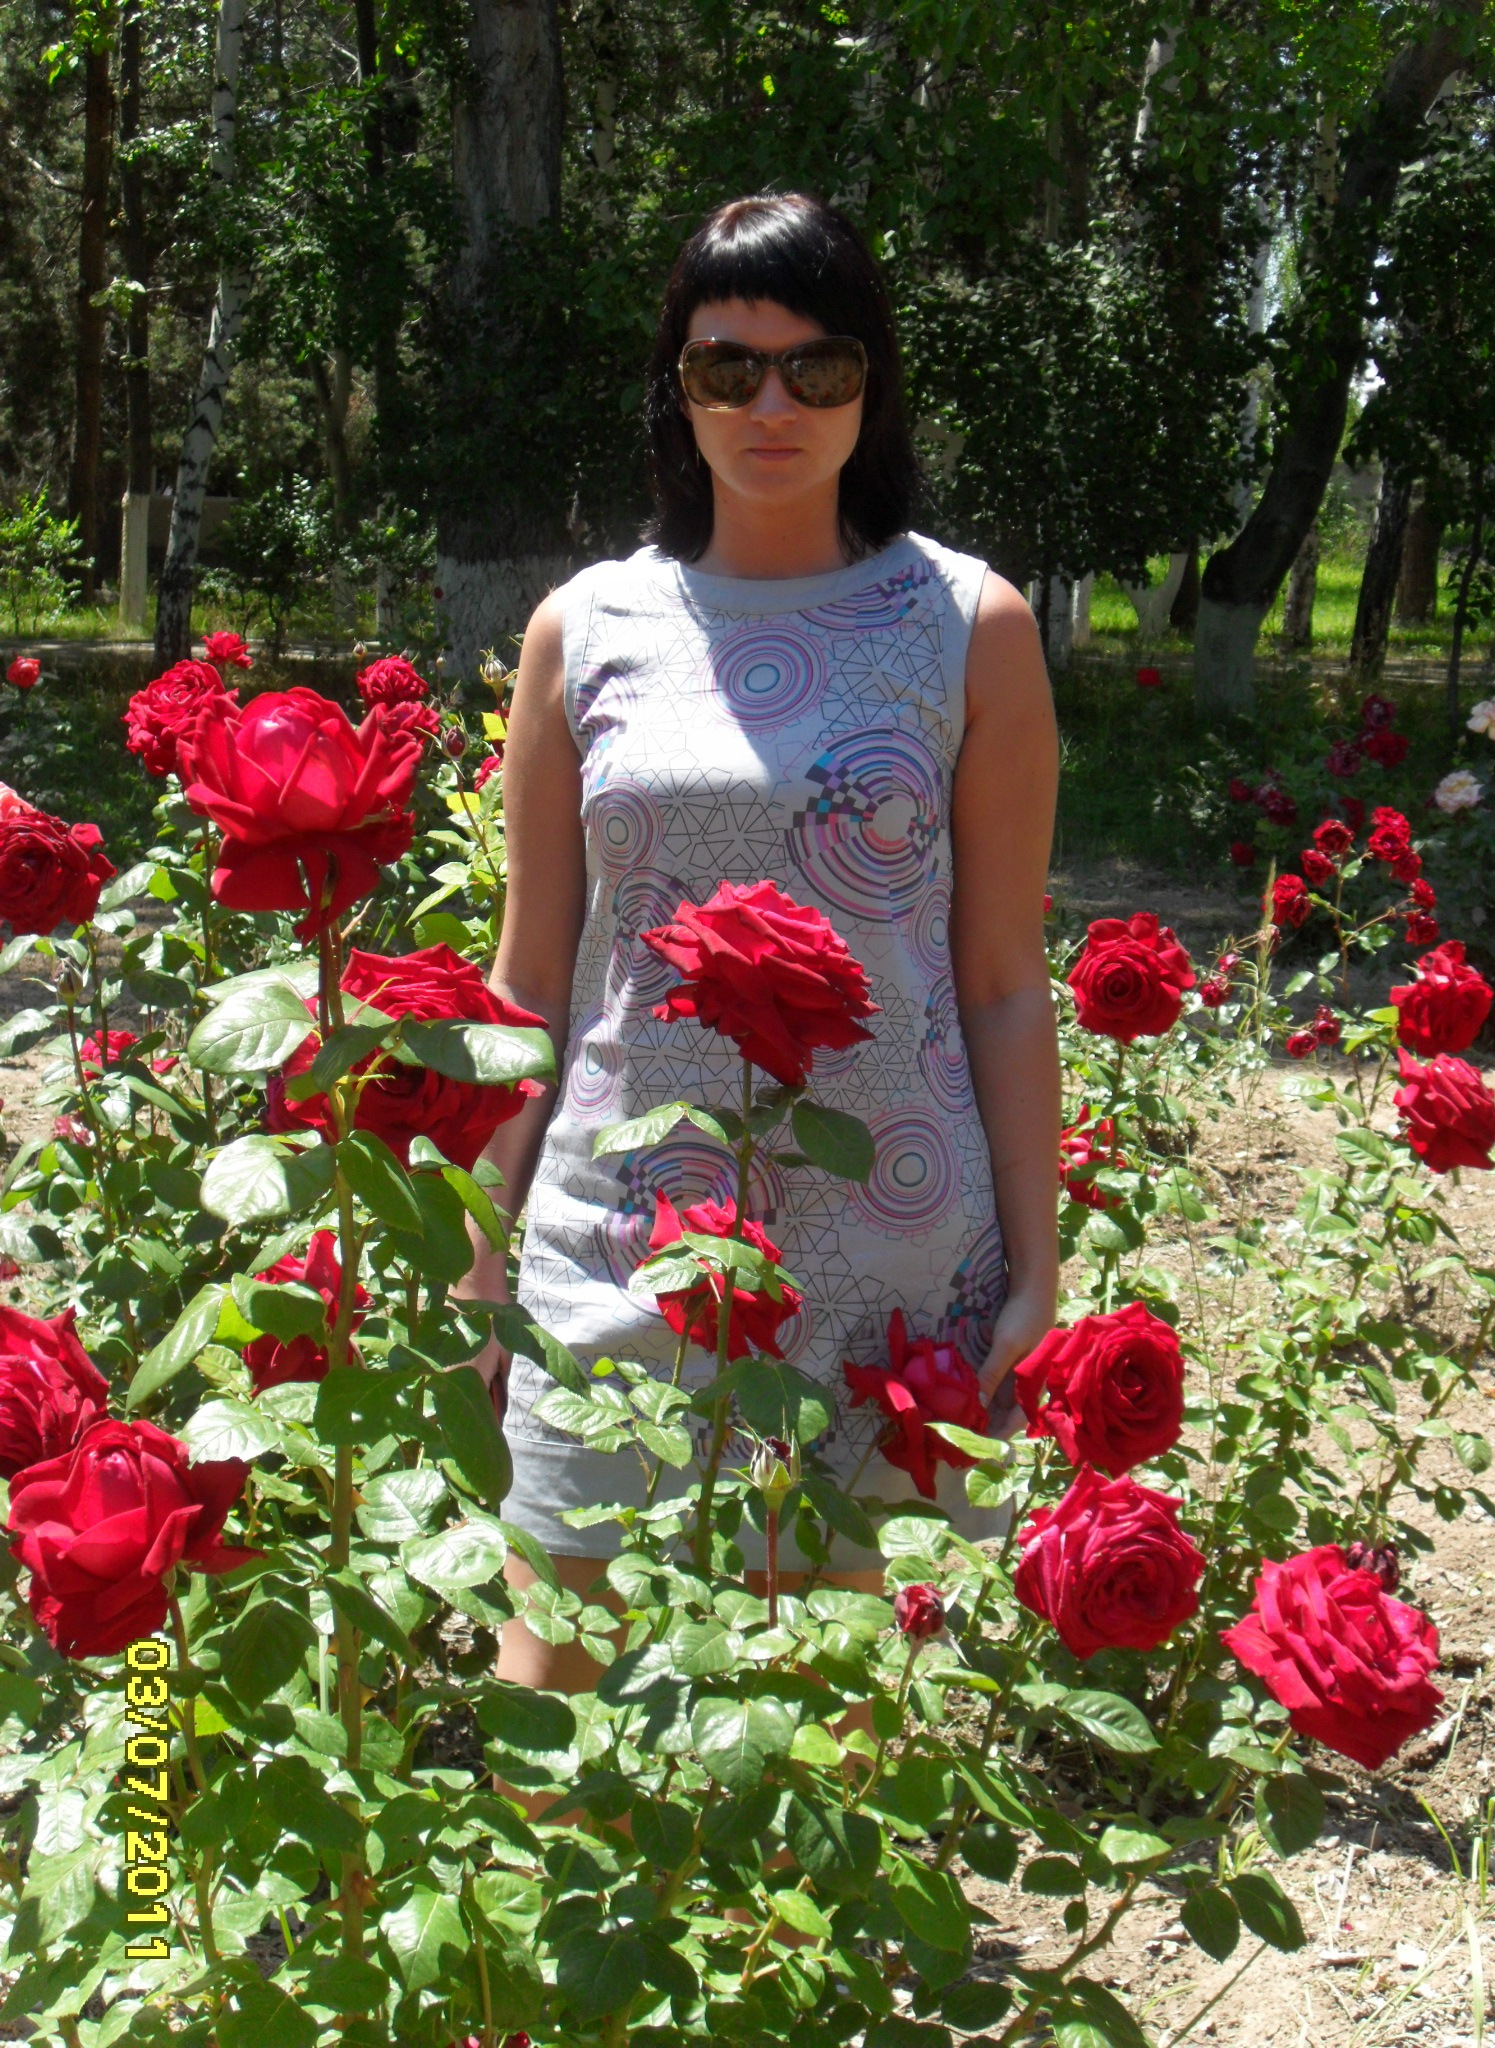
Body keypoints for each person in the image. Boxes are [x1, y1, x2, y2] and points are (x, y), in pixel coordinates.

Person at [458, 191, 1060, 1698]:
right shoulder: (582, 630)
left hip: (893, 1252)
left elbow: (999, 981)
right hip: (617, 1239)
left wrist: (1037, 1268)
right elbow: (529, 980)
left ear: (872, 387)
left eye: (817, 367)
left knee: (823, 1740)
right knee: (556, 1712)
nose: (771, 405)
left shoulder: (968, 625)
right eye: (729, 367)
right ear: (679, 389)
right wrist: (475, 1251)